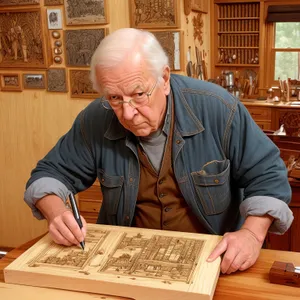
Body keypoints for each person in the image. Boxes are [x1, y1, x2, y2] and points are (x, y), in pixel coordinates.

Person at [24, 28, 293, 275]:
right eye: (115, 98)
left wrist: (251, 235)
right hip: (124, 264)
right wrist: (56, 212)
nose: (127, 113)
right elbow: (49, 174)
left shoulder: (219, 109)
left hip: (215, 263)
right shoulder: (97, 117)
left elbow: (269, 175)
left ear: (164, 79)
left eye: (138, 94)